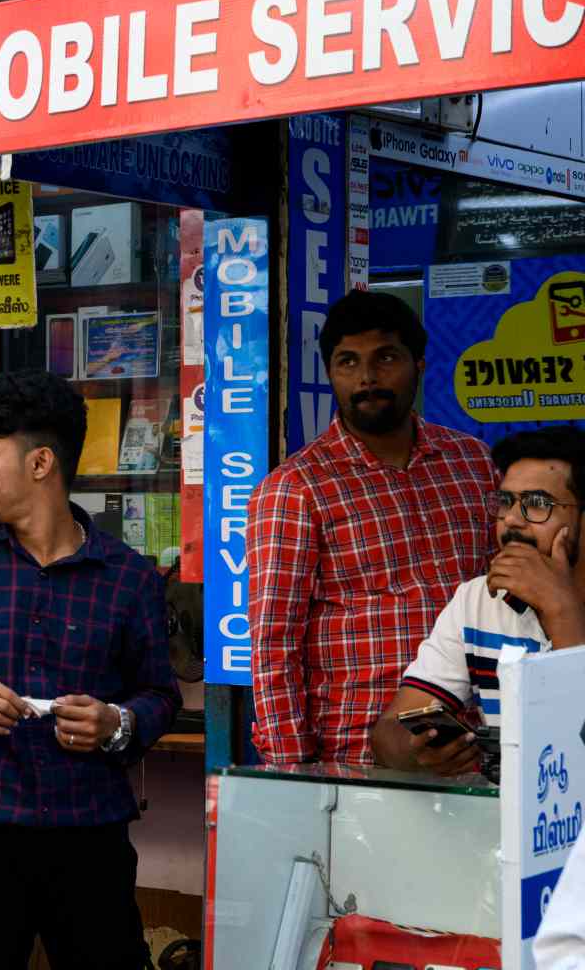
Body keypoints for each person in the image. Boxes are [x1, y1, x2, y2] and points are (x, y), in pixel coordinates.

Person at [0, 371, 180, 970]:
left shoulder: (127, 577)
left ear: (41, 462)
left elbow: (159, 694)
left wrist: (117, 722)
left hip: (90, 833)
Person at [249, 289, 495, 765]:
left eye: (385, 358)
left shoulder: (472, 463)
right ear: (330, 374)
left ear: (418, 364)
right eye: (347, 362)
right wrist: (292, 773)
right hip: (354, 754)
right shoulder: (297, 488)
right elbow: (273, 646)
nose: (366, 378)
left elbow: (496, 599)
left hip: (471, 747)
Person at [371, 426, 585, 774]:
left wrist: (562, 615)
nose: (511, 520)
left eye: (537, 504)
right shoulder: (478, 600)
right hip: (501, 820)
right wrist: (415, 752)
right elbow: (388, 733)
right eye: (505, 502)